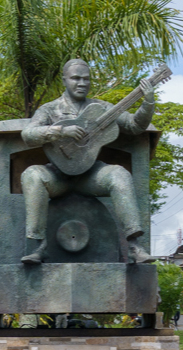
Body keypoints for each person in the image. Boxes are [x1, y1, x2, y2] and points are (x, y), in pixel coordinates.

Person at [19, 58, 156, 265]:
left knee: (119, 174)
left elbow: (134, 126)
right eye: (75, 78)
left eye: (86, 79)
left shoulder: (100, 108)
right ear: (64, 80)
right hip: (58, 175)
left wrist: (148, 103)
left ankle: (134, 247)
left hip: (90, 175)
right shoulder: (50, 109)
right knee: (31, 174)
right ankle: (38, 247)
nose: (81, 83)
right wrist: (59, 131)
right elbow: (28, 134)